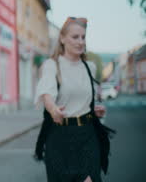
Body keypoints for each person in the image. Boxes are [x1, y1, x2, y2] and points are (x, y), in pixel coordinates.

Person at [34, 17, 114, 182]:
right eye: (75, 37)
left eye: (83, 37)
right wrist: (53, 109)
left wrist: (93, 110)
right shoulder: (52, 65)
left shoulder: (88, 67)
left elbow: (84, 98)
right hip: (60, 137)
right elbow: (46, 93)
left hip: (87, 135)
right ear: (62, 38)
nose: (80, 42)